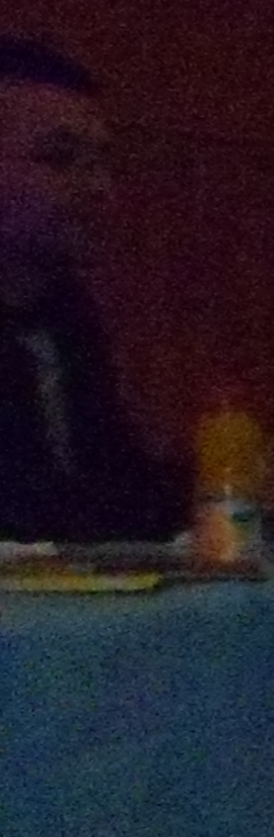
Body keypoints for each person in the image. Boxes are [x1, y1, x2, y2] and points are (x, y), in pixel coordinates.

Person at [0, 36, 181, 544]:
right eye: (61, 158)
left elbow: (119, 489)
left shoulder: (65, 314)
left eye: (101, 161)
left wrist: (242, 479)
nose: (100, 187)